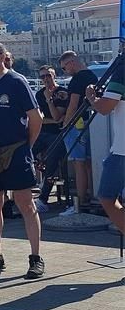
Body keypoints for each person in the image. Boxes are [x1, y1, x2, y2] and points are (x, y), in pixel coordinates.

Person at [0, 41, 45, 279]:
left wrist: (27, 146)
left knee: (25, 203)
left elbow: (36, 118)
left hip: (16, 151)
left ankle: (35, 257)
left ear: (2, 56)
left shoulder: (16, 82)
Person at [85, 60, 124, 238]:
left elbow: (104, 107)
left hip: (122, 150)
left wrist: (92, 97)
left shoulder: (122, 71)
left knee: (107, 197)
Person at [58, 51, 98, 214]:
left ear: (71, 63)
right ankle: (93, 197)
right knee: (89, 163)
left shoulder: (77, 79)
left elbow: (73, 105)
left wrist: (65, 125)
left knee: (78, 162)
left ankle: (79, 203)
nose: (65, 72)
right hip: (91, 123)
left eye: (64, 68)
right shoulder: (92, 76)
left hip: (77, 125)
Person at [32, 66, 69, 212]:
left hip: (57, 135)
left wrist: (49, 100)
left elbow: (56, 116)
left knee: (52, 162)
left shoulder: (62, 93)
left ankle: (43, 199)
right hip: (42, 133)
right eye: (42, 77)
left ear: (54, 75)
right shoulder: (39, 94)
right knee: (24, 152)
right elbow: (38, 118)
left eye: (48, 75)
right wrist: (52, 120)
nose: (45, 79)